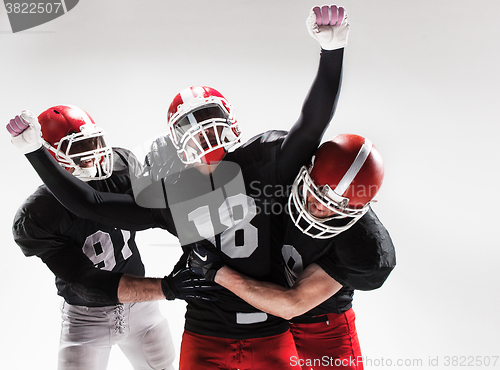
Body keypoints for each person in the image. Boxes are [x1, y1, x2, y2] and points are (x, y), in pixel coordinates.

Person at [7, 5, 350, 369]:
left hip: (265, 327)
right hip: (211, 328)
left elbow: (313, 124)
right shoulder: (251, 165)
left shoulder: (194, 185)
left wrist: (332, 51)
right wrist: (332, 51)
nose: (204, 134)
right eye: (193, 127)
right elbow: (91, 204)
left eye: (209, 121)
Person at [8, 105, 209, 370]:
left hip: (142, 310)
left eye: (92, 143)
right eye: (79, 149)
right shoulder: (39, 214)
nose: (92, 155)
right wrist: (167, 287)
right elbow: (86, 282)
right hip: (86, 318)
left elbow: (160, 213)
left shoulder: (122, 169)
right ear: (53, 156)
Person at [189, 134, 396, 370]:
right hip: (272, 327)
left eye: (336, 206)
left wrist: (216, 271)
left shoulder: (360, 241)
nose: (320, 206)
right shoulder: (281, 180)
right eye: (316, 191)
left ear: (356, 211)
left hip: (323, 329)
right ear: (306, 170)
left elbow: (292, 304)